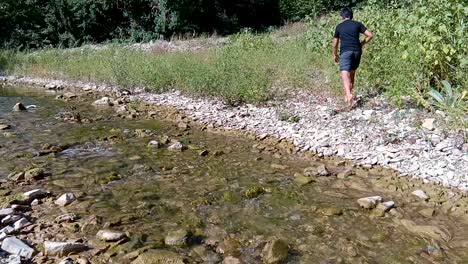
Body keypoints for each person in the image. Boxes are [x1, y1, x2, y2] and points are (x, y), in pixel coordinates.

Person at [332, 7, 373, 107]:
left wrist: (335, 55)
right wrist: (361, 44)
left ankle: (348, 94)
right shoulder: (357, 24)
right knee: (352, 73)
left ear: (342, 16)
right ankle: (348, 96)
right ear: (351, 15)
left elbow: (335, 44)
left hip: (346, 52)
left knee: (344, 73)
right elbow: (370, 35)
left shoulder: (339, 26)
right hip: (357, 51)